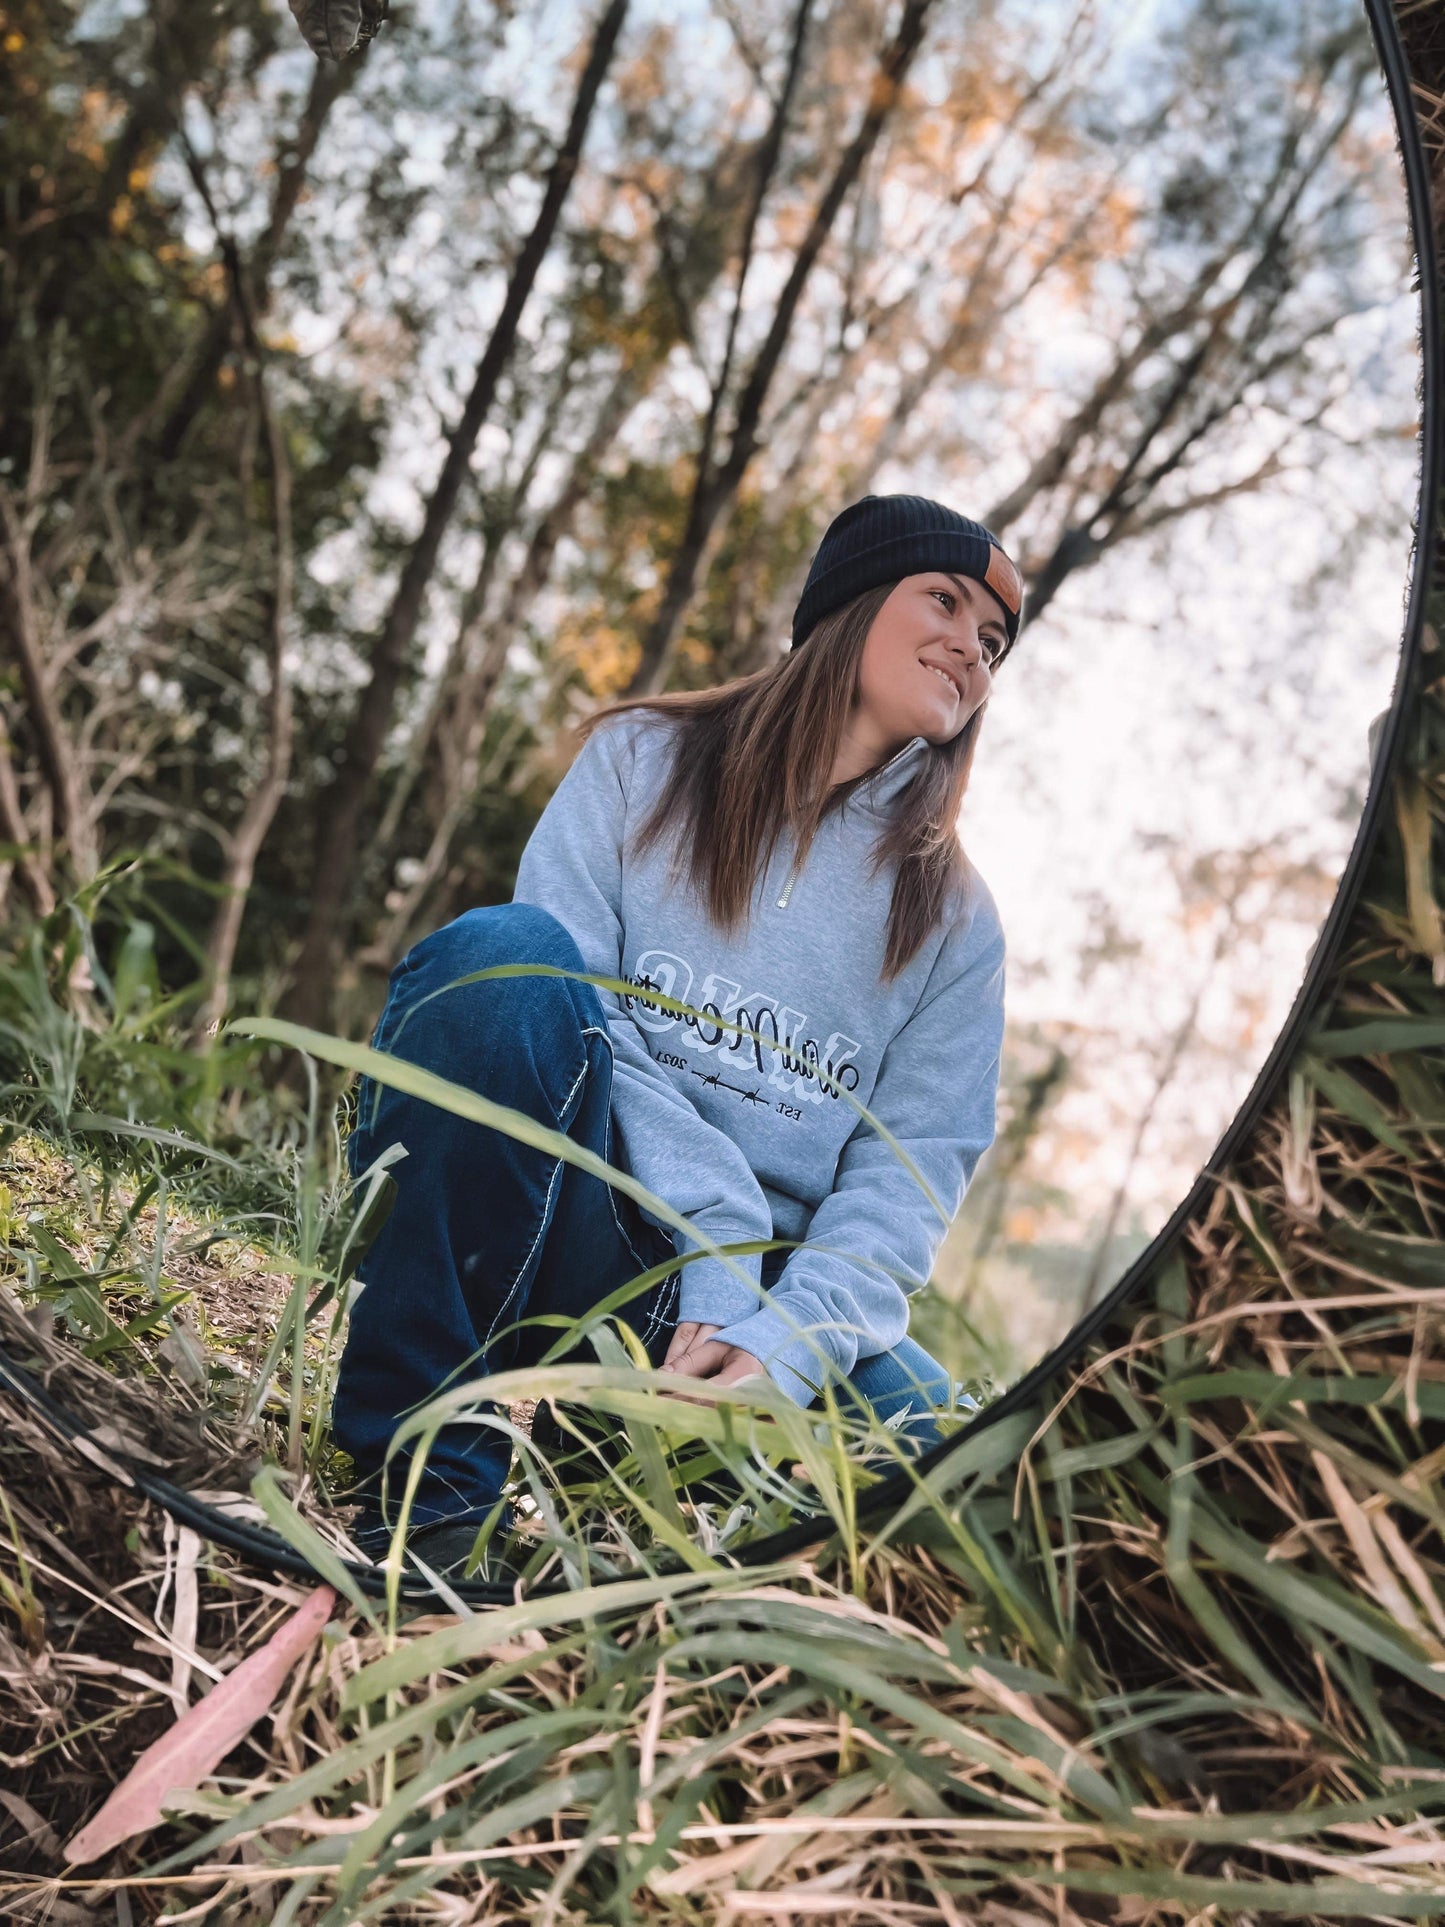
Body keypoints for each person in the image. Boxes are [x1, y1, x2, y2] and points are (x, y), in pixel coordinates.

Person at [332, 493, 1022, 1572]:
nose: (969, 651)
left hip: (738, 1330)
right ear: (848, 600)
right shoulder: (642, 761)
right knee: (499, 958)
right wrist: (715, 1232)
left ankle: (634, 1487)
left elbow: (909, 1178)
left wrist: (779, 1345)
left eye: (990, 642)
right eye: (941, 600)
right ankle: (430, 1494)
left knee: (971, 1474)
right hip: (553, 1218)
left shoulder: (953, 921)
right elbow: (562, 1004)